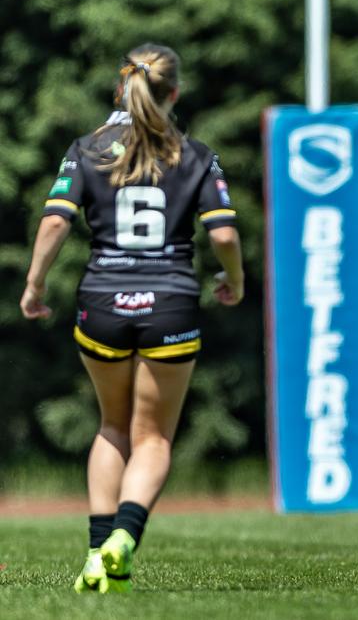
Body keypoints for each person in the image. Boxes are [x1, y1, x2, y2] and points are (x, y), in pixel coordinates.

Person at [20, 43, 245, 594]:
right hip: (169, 302)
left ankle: (98, 554)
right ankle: (125, 536)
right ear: (175, 92)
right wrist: (233, 280)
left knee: (111, 427)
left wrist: (34, 284)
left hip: (102, 303)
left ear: (120, 89)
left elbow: (54, 224)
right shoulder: (194, 153)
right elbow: (222, 233)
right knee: (153, 438)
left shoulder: (87, 148)